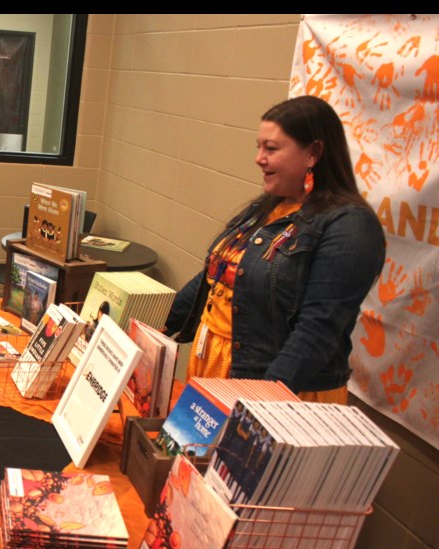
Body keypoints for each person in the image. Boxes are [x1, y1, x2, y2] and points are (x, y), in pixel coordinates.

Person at [163, 95, 386, 401]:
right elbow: (214, 277)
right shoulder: (265, 207)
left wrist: (259, 403)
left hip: (279, 394)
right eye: (259, 147)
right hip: (216, 374)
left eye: (271, 148)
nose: (259, 158)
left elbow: (318, 330)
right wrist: (155, 326)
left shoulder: (350, 226)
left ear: (313, 153)